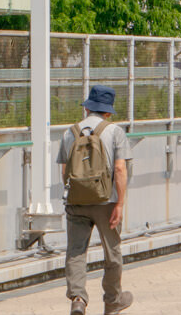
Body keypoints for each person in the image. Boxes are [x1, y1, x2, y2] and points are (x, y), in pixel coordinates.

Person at [58, 84, 132, 314]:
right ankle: (112, 302)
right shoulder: (115, 132)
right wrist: (119, 203)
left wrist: (78, 193)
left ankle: (78, 299)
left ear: (88, 108)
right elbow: (120, 170)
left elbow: (64, 172)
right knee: (112, 252)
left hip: (76, 202)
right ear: (108, 111)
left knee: (76, 251)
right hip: (106, 202)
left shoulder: (69, 132)